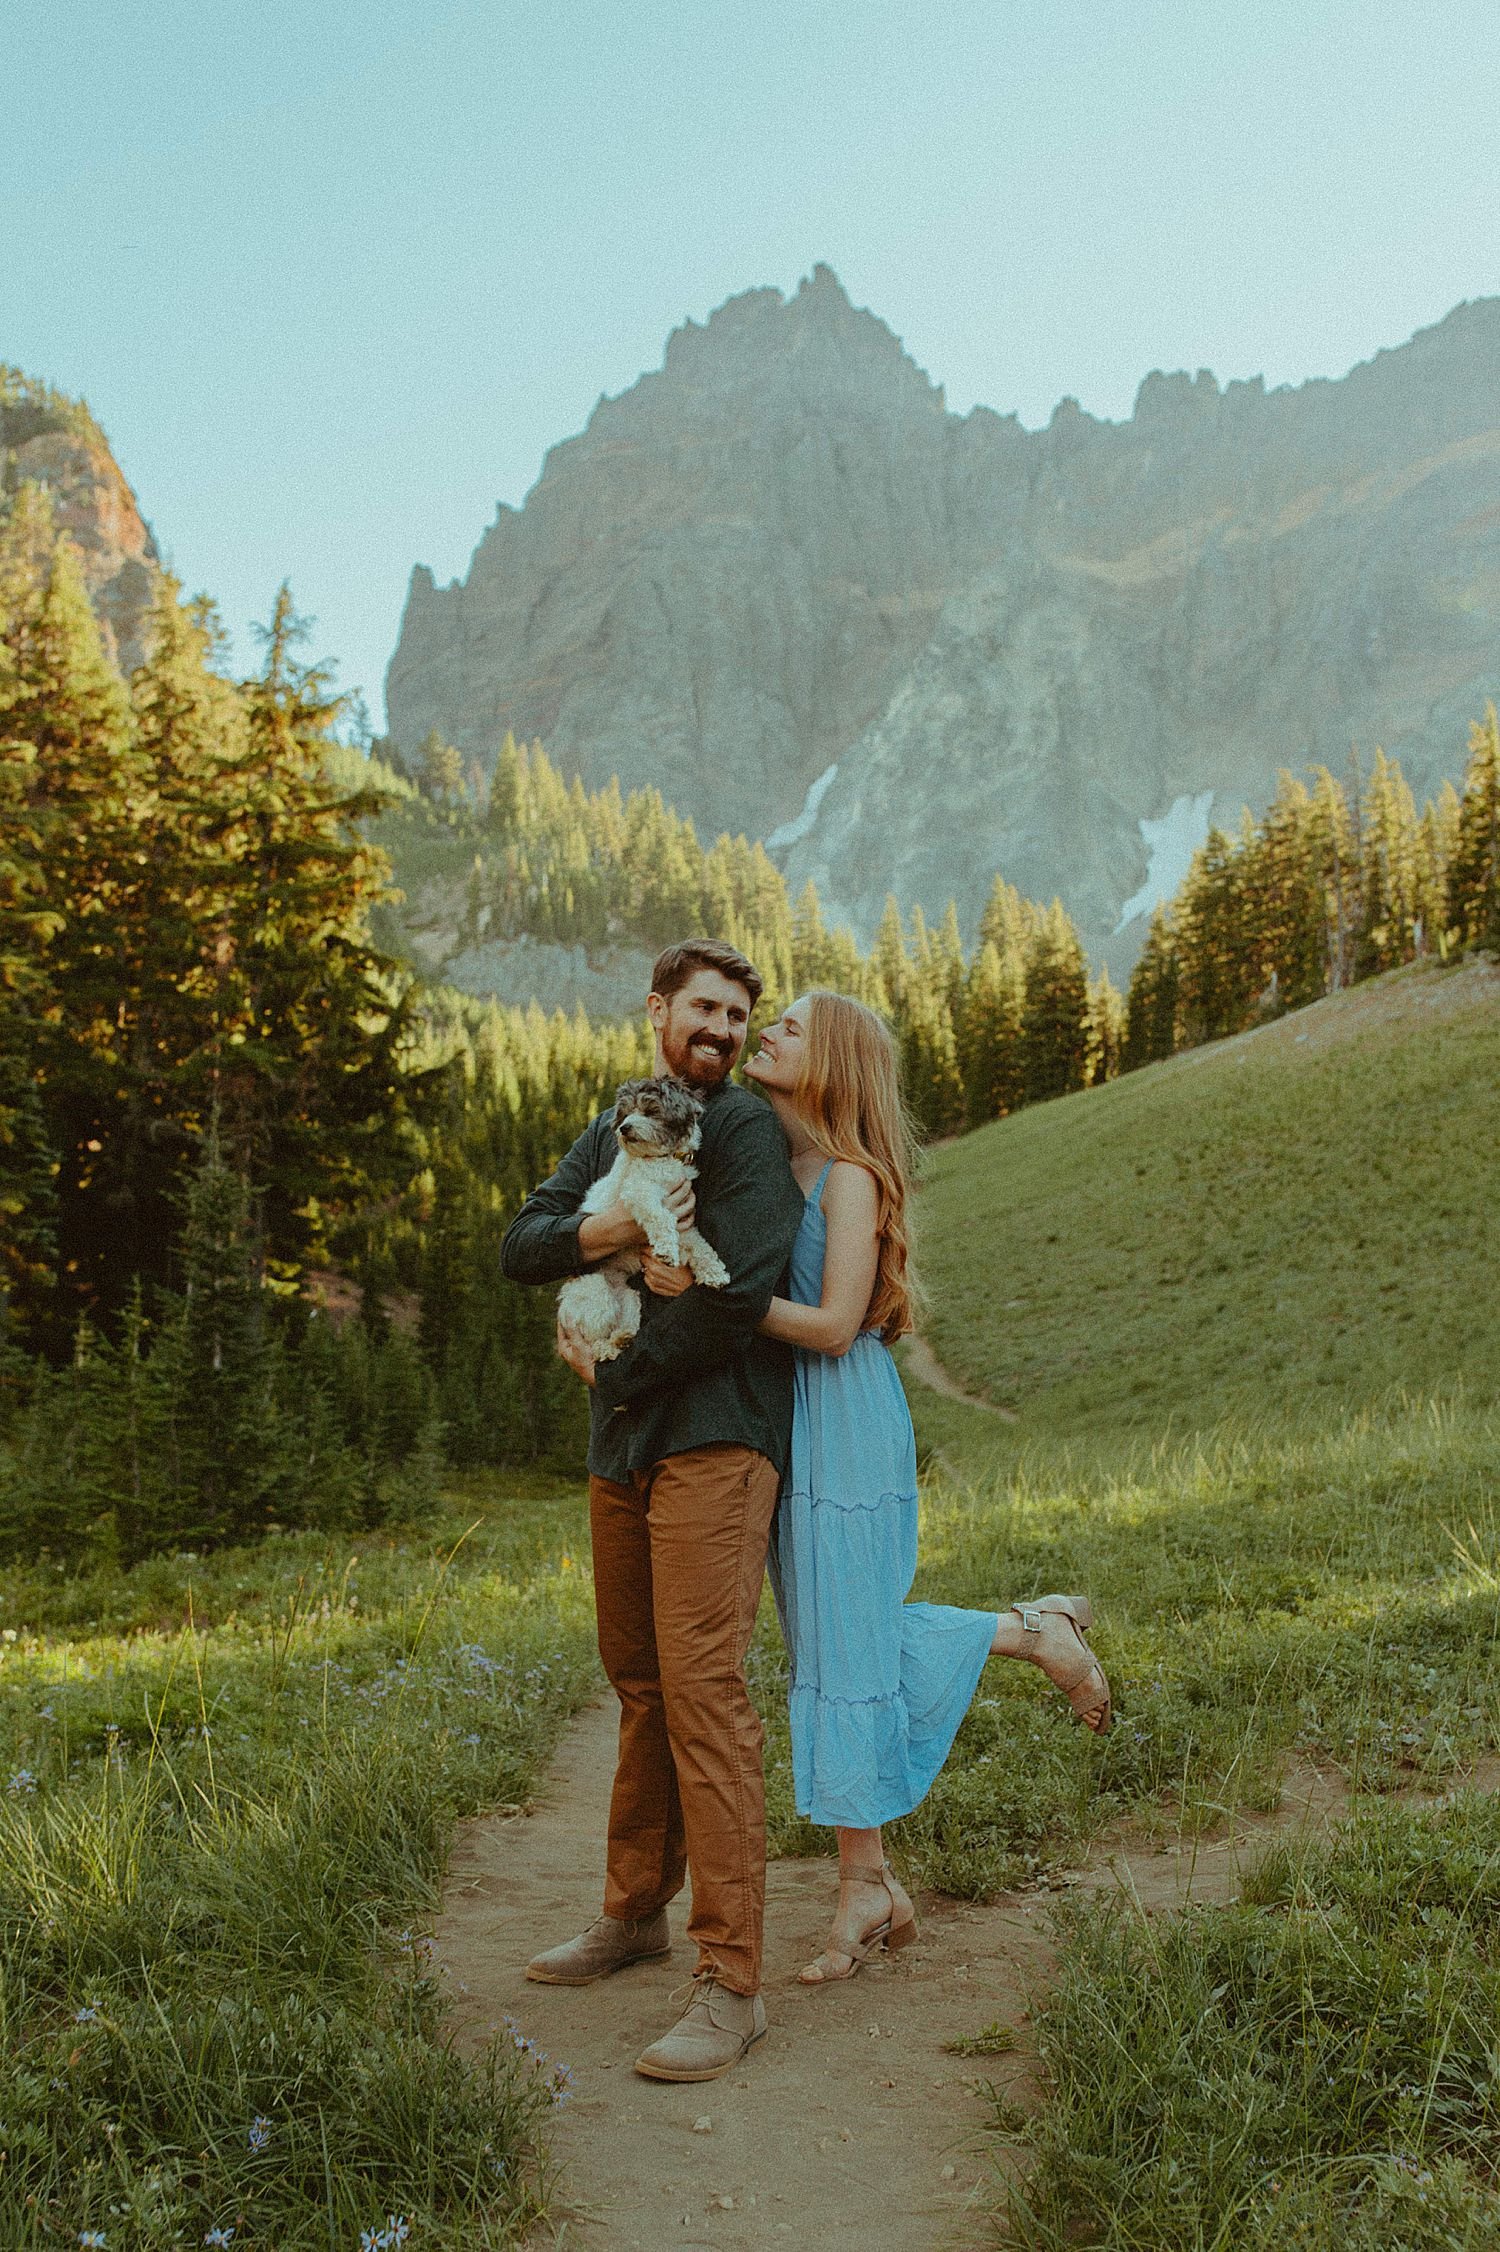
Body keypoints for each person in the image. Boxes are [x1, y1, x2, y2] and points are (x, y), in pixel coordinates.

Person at [744, 989, 1112, 1982]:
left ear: (833, 1063)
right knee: (830, 1642)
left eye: (789, 1024)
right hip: (793, 1425)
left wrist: (721, 1300)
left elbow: (829, 1325)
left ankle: (1029, 1636)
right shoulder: (774, 1164)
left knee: (847, 1638)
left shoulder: (852, 1179)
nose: (765, 1029)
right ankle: (875, 1877)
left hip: (846, 1420)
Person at [499, 938, 804, 2080]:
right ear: (659, 1010)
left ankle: (734, 1982)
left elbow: (740, 1298)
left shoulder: (741, 1134)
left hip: (717, 1437)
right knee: (639, 1681)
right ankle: (635, 1913)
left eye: (738, 1015)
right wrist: (618, 1230)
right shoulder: (615, 1125)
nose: (722, 1030)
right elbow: (523, 1243)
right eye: (704, 1008)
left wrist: (613, 1369)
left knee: (706, 1694)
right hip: (622, 1450)